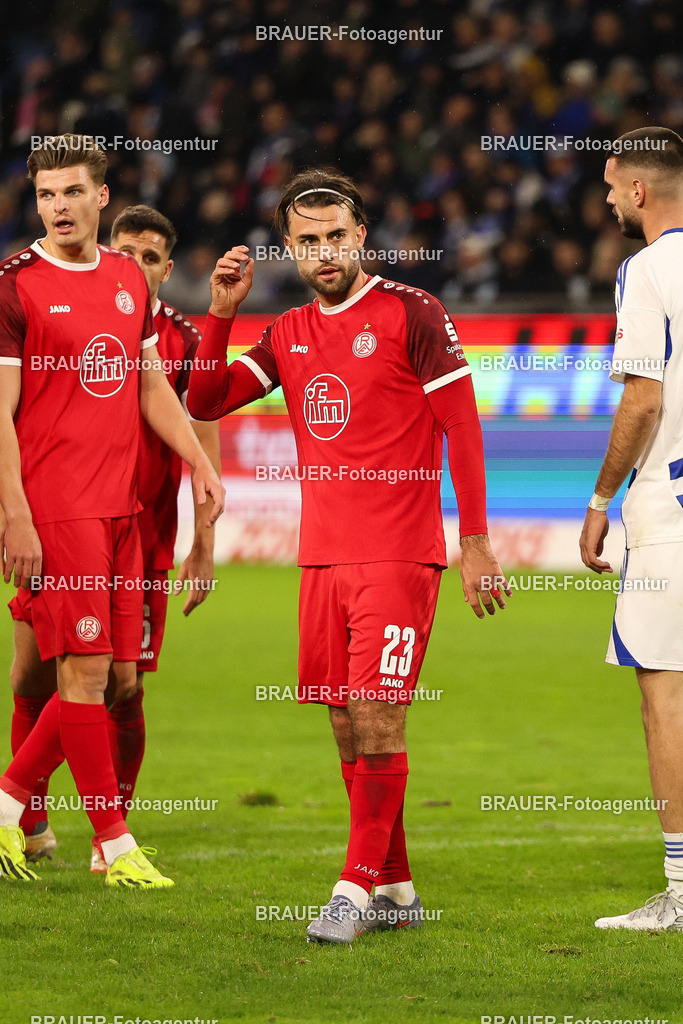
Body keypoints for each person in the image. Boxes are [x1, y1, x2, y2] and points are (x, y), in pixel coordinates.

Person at [188, 168, 509, 943]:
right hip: (322, 556)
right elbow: (205, 400)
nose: (324, 252)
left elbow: (461, 426)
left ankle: (353, 888)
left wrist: (473, 542)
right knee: (341, 719)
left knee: (377, 713)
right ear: (289, 246)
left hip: (399, 555)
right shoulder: (290, 332)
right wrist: (220, 315)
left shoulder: (412, 312)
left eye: (337, 236)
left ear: (361, 236)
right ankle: (396, 886)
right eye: (308, 240)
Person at [0, 134, 224, 888]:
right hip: (58, 509)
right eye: (44, 195)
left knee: (109, 678)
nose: (57, 207)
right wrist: (18, 514)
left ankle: (11, 810)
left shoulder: (130, 277)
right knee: (82, 676)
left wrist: (197, 463)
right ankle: (115, 846)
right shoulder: (15, 284)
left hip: (124, 509)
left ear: (102, 196)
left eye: (70, 192)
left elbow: (149, 385)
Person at [580, 126, 683, 930]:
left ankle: (682, 896)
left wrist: (598, 501)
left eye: (613, 188)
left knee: (665, 694)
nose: (609, 200)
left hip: (670, 514)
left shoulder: (647, 269)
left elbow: (642, 399)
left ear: (638, 190)